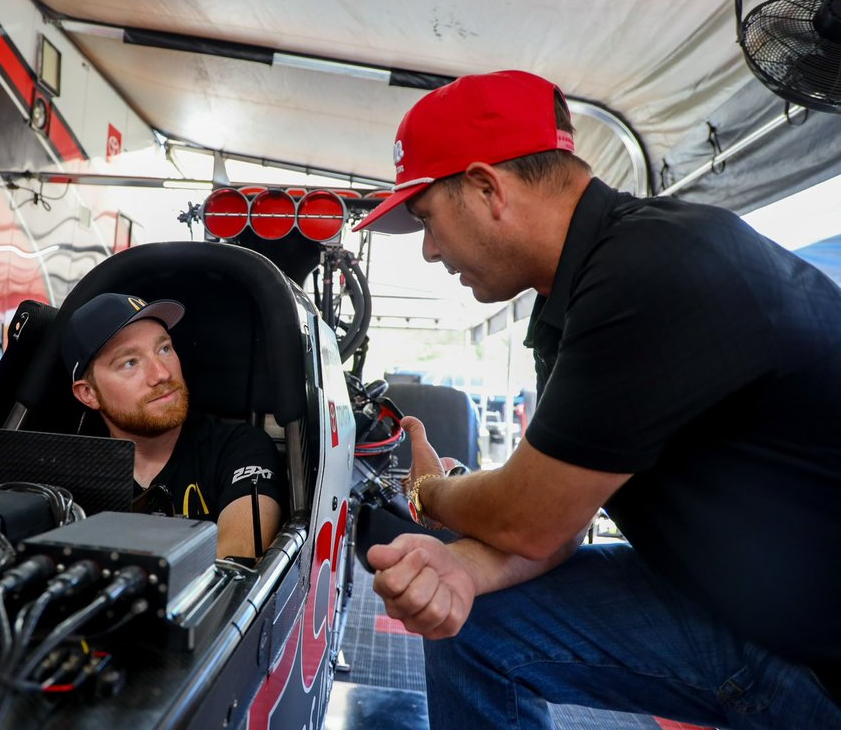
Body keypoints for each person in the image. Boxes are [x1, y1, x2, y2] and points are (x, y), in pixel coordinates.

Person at [353, 70, 841, 729]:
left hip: (810, 656)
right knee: (470, 620)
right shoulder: (578, 296)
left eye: (427, 219)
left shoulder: (650, 270)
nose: (432, 251)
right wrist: (461, 571)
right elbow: (562, 515)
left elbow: (532, 520)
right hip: (736, 600)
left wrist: (430, 494)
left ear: (486, 188)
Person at [60, 292, 285, 559]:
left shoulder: (239, 447)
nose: (162, 374)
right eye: (130, 363)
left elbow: (238, 559)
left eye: (164, 348)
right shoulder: (69, 475)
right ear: (89, 393)